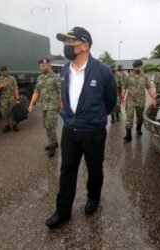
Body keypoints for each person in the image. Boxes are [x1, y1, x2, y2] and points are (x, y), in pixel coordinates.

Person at [45, 27, 117, 229]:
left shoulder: (102, 71)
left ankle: (93, 198)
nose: (67, 47)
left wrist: (95, 118)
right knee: (67, 170)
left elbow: (111, 101)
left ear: (85, 45)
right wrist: (67, 115)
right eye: (65, 43)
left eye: (71, 43)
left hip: (93, 131)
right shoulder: (66, 70)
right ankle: (63, 211)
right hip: (70, 129)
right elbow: (65, 97)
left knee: (94, 168)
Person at [28, 58, 62, 157]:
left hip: (53, 105)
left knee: (50, 124)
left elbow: (60, 92)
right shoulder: (40, 78)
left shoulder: (55, 77)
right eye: (40, 66)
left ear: (49, 65)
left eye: (43, 65)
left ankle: (51, 145)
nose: (41, 67)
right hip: (44, 106)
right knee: (46, 125)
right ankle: (54, 142)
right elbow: (36, 92)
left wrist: (61, 105)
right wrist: (30, 104)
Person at [121, 60, 156, 142]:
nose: (138, 68)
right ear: (133, 67)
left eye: (140, 66)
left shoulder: (145, 76)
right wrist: (122, 97)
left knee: (140, 117)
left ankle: (138, 128)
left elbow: (149, 88)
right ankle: (128, 135)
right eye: (137, 67)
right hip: (130, 100)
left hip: (141, 100)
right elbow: (124, 87)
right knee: (129, 117)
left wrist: (153, 98)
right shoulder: (128, 76)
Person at [0, 66, 20, 132]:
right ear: (1, 72)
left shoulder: (12, 78)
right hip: (4, 99)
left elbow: (15, 89)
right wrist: (0, 86)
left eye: (5, 70)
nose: (4, 72)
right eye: (2, 71)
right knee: (4, 112)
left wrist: (17, 99)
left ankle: (14, 125)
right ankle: (6, 126)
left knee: (13, 112)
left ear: (7, 70)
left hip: (12, 98)